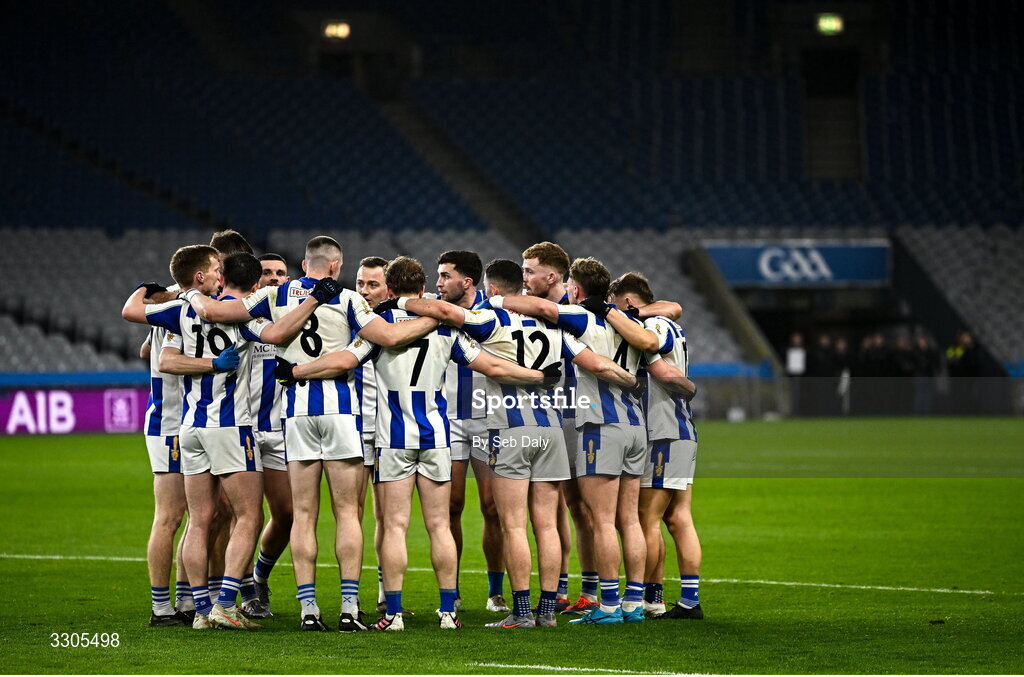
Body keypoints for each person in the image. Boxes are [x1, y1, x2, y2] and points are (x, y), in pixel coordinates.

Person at [179, 237, 439, 632]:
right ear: (336, 267)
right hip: (340, 411)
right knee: (347, 512)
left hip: (295, 413)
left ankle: (308, 610)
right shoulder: (351, 299)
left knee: (303, 514)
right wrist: (436, 317)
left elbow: (221, 310)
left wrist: (192, 298)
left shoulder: (273, 293)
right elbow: (389, 338)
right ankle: (350, 608)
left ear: (304, 263)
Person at [287, 256, 550, 632]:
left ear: (390, 289)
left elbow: (342, 360)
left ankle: (392, 614)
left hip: (393, 438)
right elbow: (493, 366)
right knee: (440, 525)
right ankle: (448, 612)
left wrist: (296, 371)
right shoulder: (445, 329)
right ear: (422, 286)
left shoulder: (377, 329)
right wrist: (537, 375)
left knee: (393, 526)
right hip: (437, 436)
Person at [403, 258, 638, 629]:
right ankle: (548, 611)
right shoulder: (555, 331)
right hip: (551, 432)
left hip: (511, 432)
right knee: (546, 524)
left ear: (493, 291)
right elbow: (599, 365)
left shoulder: (490, 320)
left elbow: (442, 310)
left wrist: (402, 302)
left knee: (514, 526)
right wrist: (631, 380)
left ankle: (522, 611)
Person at [122, 249, 329, 630]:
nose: (218, 274)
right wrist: (315, 299)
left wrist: (151, 288)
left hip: (189, 427)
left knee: (199, 520)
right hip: (232, 427)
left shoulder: (181, 311)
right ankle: (227, 603)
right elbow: (279, 334)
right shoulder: (243, 315)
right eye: (213, 268)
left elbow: (144, 330)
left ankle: (200, 610)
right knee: (248, 515)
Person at [493, 257, 652, 625]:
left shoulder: (581, 317)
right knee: (629, 519)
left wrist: (498, 300)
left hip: (601, 424)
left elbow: (545, 308)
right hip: (635, 424)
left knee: (600, 520)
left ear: (576, 290)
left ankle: (607, 605)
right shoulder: (629, 320)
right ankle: (634, 603)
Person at [602, 272, 703, 620]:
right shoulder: (665, 320)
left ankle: (653, 598)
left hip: (664, 431)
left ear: (628, 302)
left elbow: (651, 348)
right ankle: (688, 600)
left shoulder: (656, 326)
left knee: (647, 518)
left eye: (616, 306)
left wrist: (666, 377)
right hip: (679, 430)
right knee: (677, 518)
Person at [433, 250, 507, 613]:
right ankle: (453, 589)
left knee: (494, 507)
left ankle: (496, 591)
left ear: (467, 281)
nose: (439, 282)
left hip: (490, 418)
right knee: (451, 505)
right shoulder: (431, 308)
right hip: (448, 419)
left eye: (445, 276)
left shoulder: (494, 311)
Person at [136, 283, 189, 626]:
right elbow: (162, 358)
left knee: (198, 515)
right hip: (169, 424)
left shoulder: (170, 305)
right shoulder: (181, 305)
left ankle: (186, 600)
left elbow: (144, 351)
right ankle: (160, 607)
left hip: (188, 423)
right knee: (169, 516)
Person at [245, 253, 293, 618]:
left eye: (281, 273)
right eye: (267, 273)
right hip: (240, 428)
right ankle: (242, 589)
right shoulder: (240, 314)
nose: (275, 278)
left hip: (279, 432)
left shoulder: (295, 320)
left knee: (286, 513)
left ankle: (259, 575)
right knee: (242, 515)